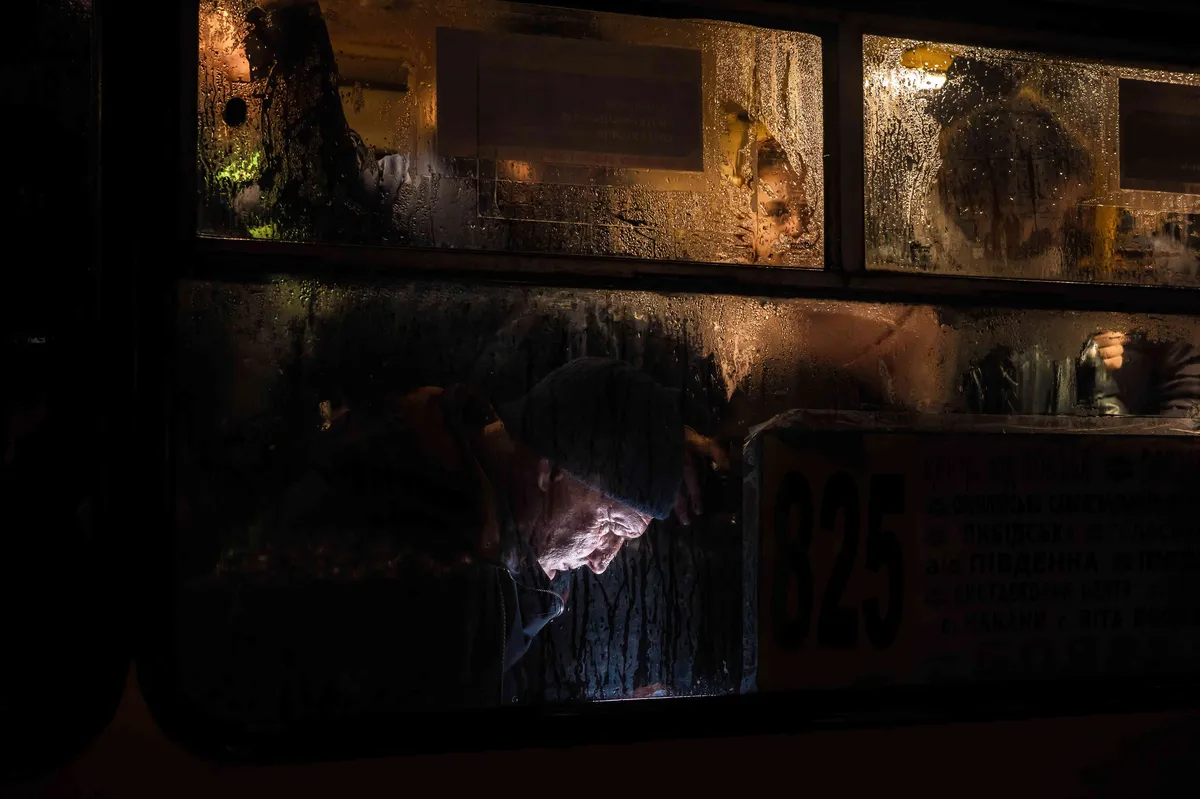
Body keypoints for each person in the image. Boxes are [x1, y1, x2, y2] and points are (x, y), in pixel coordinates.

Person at [209, 357, 727, 710]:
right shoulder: (432, 550)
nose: (600, 562)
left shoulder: (469, 497)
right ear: (551, 470)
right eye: (611, 526)